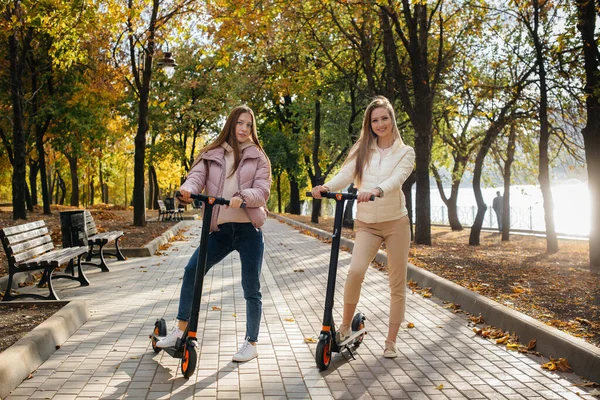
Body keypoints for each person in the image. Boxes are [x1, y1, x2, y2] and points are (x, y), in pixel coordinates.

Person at [156, 105, 271, 363]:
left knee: (251, 288)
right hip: (219, 229)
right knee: (192, 271)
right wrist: (187, 189)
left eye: (249, 125)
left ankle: (251, 342)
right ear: (230, 123)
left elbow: (262, 191)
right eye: (239, 123)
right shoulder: (212, 153)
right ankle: (181, 330)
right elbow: (196, 177)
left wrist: (243, 196)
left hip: (248, 231)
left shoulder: (259, 157)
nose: (243, 129)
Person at [311, 96, 415, 358]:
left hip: (396, 224)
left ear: (392, 120)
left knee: (397, 283)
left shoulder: (406, 152)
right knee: (355, 271)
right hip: (367, 223)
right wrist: (327, 187)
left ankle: (391, 341)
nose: (380, 124)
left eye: (384, 118)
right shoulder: (362, 149)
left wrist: (377, 190)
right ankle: (345, 326)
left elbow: (397, 178)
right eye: (375, 120)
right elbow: (346, 174)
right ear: (369, 124)